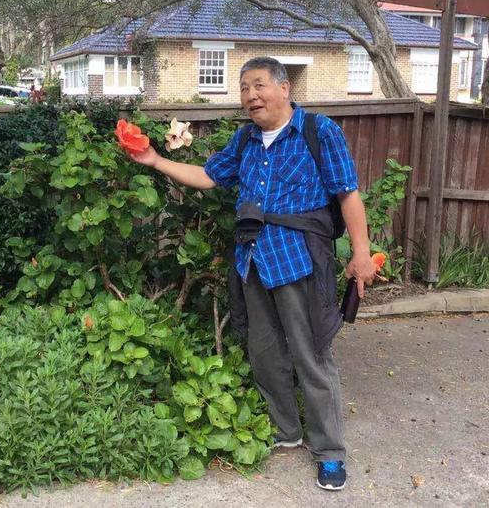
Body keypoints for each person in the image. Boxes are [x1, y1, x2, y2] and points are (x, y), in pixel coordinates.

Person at [127, 56, 376, 491]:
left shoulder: (318, 131)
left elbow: (347, 195)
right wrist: (154, 160)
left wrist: (361, 253)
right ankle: (287, 429)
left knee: (312, 355)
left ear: (284, 88)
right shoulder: (245, 139)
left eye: (259, 85)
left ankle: (330, 451)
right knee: (265, 352)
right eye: (244, 88)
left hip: (299, 260)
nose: (251, 96)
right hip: (254, 259)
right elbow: (208, 175)